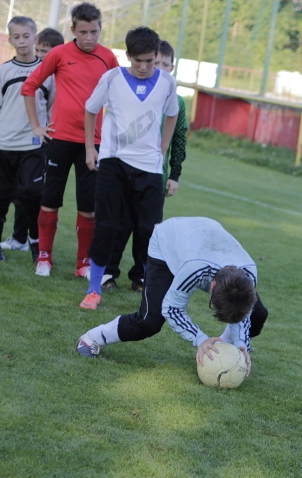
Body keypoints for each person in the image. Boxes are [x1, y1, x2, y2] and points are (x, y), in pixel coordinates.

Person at [76, 216, 269, 373]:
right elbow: (172, 307)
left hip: (207, 238)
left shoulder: (249, 273)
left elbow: (245, 311)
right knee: (149, 321)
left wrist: (240, 343)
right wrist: (200, 339)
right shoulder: (194, 268)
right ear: (212, 286)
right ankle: (91, 338)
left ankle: (222, 350)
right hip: (168, 242)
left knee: (258, 314)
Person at [78, 25, 179, 310]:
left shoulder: (167, 83)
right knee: (107, 226)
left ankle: (149, 288)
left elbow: (172, 115)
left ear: (156, 56)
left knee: (150, 230)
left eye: (149, 60)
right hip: (114, 163)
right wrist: (90, 147)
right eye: (138, 61)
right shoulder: (112, 78)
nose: (144, 67)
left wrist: (161, 150)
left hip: (149, 169)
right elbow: (90, 109)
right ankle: (94, 289)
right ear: (128, 56)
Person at [20, 2, 119, 278]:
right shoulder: (60, 54)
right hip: (59, 139)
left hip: (94, 143)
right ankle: (44, 258)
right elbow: (29, 86)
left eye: (94, 31)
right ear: (73, 29)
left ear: (101, 29)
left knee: (88, 207)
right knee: (50, 200)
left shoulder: (109, 59)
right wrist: (37, 126)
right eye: (84, 31)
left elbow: (119, 99)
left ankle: (83, 264)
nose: (89, 37)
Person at [102, 39, 189, 293]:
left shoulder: (176, 100)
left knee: (148, 228)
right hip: (124, 168)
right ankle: (108, 271)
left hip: (155, 173)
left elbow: (179, 138)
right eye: (155, 62)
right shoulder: (129, 88)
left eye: (165, 64)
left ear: (171, 67)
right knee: (120, 222)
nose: (159, 67)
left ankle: (140, 276)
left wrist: (174, 174)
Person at [0, 16, 52, 263]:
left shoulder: (47, 72)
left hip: (33, 147)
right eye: (16, 36)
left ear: (35, 38)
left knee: (32, 194)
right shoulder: (4, 71)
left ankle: (34, 242)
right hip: (3, 145)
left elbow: (53, 109)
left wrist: (48, 136)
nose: (22, 41)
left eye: (26, 36)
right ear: (9, 39)